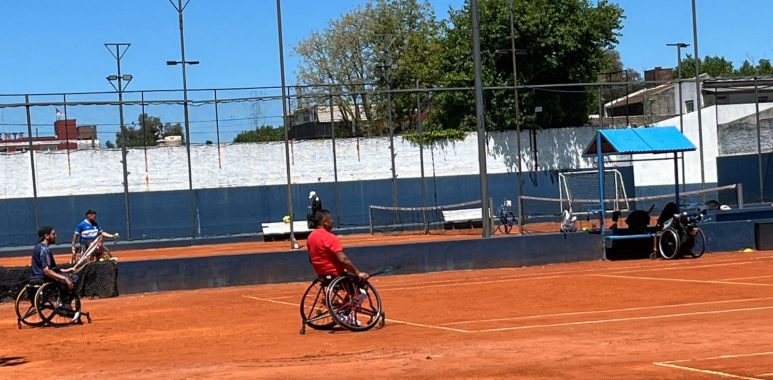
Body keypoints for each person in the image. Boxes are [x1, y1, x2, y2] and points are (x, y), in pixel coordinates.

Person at [306, 209, 367, 282]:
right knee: (361, 282)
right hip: (336, 276)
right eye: (330, 219)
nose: (332, 221)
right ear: (325, 223)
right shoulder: (330, 237)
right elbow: (343, 259)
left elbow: (311, 259)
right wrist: (358, 273)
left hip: (322, 276)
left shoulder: (310, 237)